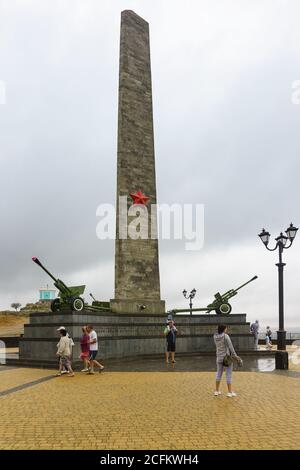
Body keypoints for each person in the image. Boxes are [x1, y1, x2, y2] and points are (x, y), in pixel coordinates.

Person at [213, 324, 242, 398]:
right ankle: (229, 392)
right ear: (223, 329)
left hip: (219, 357)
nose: (227, 330)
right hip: (226, 358)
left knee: (218, 373)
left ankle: (216, 391)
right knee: (228, 374)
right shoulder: (226, 336)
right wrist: (236, 357)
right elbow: (231, 348)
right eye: (226, 328)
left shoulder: (215, 336)